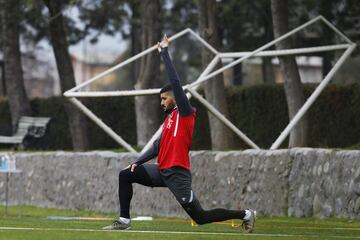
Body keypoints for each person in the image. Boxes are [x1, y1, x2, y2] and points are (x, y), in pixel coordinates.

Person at [103, 35, 256, 232]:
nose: (161, 102)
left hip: (177, 174)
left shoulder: (185, 112)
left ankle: (245, 214)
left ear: (176, 98)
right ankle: (124, 221)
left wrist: (164, 53)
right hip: (162, 170)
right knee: (126, 174)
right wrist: (137, 163)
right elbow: (157, 146)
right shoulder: (170, 119)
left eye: (164, 98)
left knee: (200, 217)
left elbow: (175, 82)